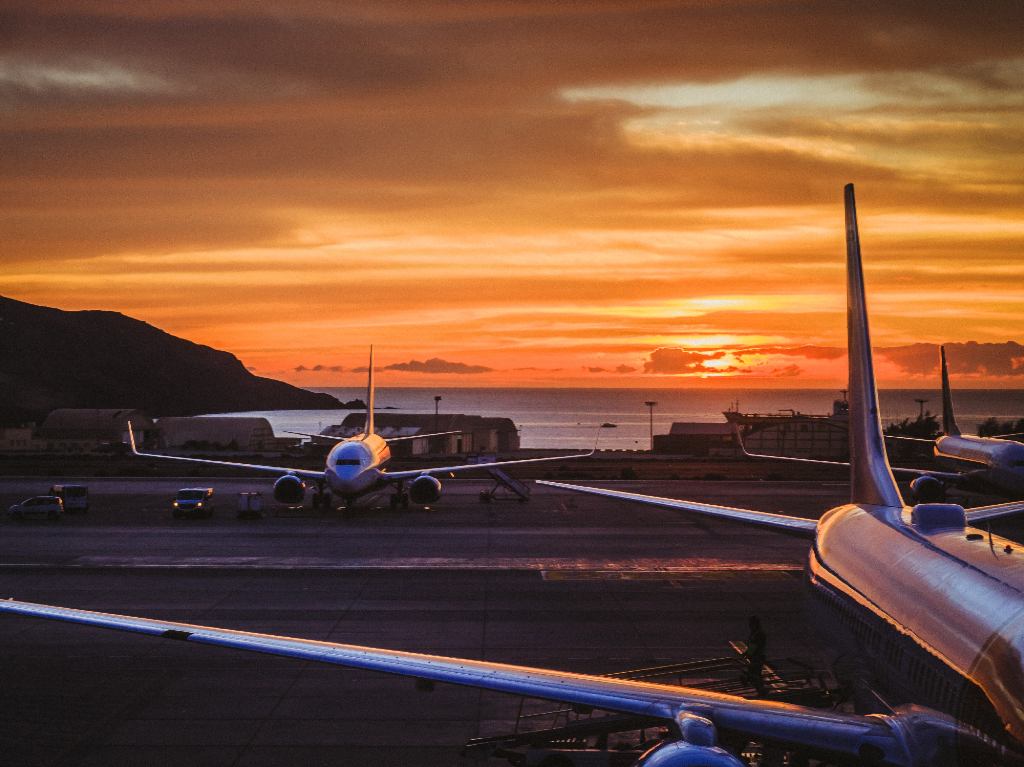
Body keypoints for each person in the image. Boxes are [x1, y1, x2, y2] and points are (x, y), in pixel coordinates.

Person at [742, 615, 768, 695]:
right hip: (756, 656)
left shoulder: (758, 634)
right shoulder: (756, 633)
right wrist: (747, 653)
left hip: (757, 657)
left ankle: (761, 690)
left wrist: (748, 653)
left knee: (754, 674)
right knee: (755, 673)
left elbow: (755, 645)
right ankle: (760, 689)